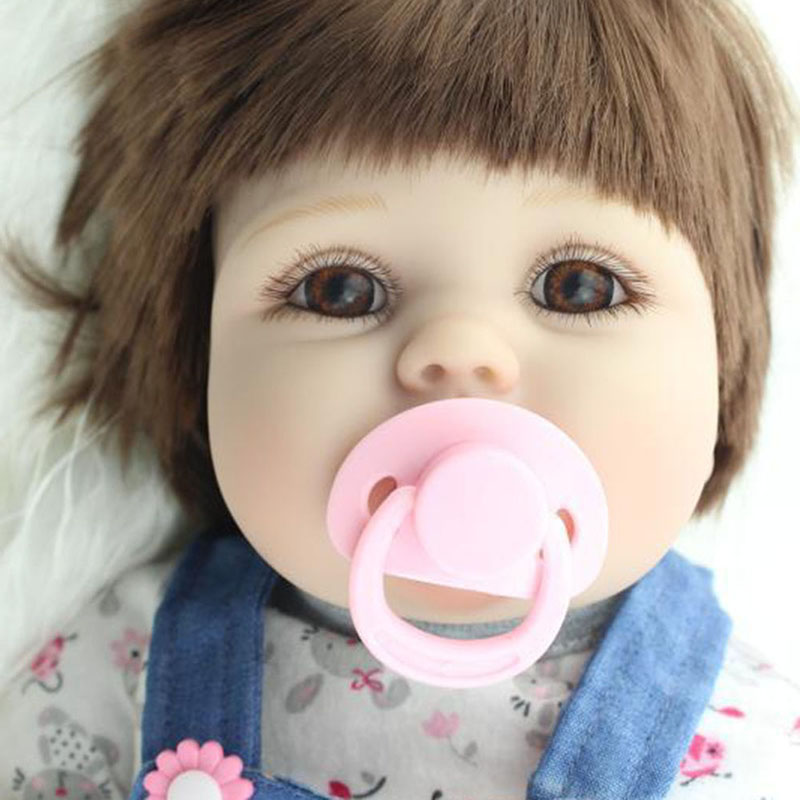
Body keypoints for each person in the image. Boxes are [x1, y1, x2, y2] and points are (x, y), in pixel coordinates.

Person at [1, 0, 798, 798]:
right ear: (193, 360)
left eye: (578, 286)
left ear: (725, 368)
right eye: (339, 290)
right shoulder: (125, 666)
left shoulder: (757, 745)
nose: (460, 352)